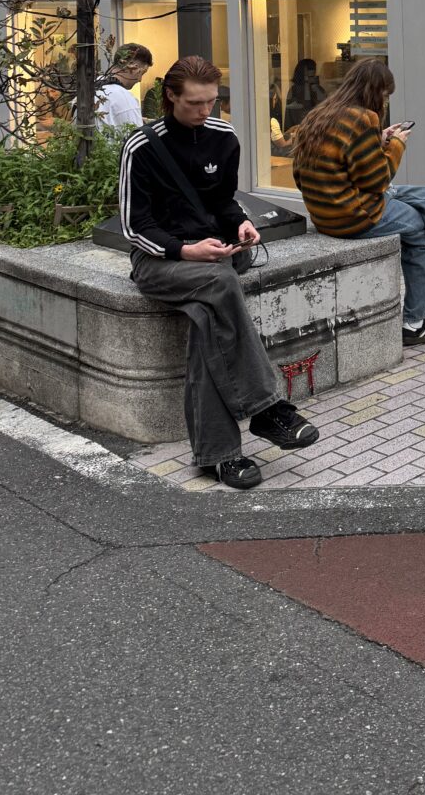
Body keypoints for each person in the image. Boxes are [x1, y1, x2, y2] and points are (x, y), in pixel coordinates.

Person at [119, 56, 318, 490]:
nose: (204, 110)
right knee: (221, 282)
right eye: (194, 103)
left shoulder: (224, 137)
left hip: (214, 256)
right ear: (170, 96)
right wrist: (184, 250)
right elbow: (134, 226)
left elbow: (223, 202)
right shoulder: (141, 146)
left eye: (211, 101)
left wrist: (242, 224)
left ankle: (221, 457)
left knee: (207, 320)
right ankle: (267, 408)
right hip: (159, 262)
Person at [290, 59, 425, 345]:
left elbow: (309, 172)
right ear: (374, 91)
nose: (385, 102)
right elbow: (377, 181)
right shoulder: (363, 119)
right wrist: (396, 145)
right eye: (385, 95)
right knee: (421, 229)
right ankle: (416, 322)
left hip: (325, 213)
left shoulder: (319, 115)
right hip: (354, 214)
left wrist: (378, 140)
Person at [95, 42, 152, 130]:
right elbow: (135, 135)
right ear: (132, 67)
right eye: (142, 73)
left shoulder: (92, 87)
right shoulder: (126, 100)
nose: (140, 79)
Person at [284, 58, 326, 132]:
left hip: (317, 130)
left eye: (313, 76)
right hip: (299, 130)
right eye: (309, 77)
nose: (312, 79)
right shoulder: (294, 91)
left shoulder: (318, 90)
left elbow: (324, 110)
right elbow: (291, 117)